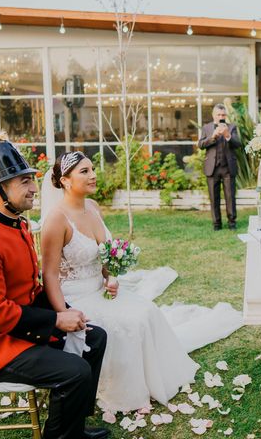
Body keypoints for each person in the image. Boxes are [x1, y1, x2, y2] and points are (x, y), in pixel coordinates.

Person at [39, 151, 242, 413]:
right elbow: (50, 275)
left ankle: (154, 379)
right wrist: (63, 314)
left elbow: (103, 255)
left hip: (101, 290)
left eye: (92, 169)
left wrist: (110, 276)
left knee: (147, 310)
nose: (93, 175)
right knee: (131, 322)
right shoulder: (56, 219)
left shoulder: (93, 207)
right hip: (75, 298)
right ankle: (125, 391)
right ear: (65, 181)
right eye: (84, 171)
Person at [0, 135, 110, 439]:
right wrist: (55, 320)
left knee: (96, 338)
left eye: (31, 181)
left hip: (16, 330)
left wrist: (63, 310)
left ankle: (73, 427)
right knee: (74, 372)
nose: (34, 188)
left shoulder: (18, 225)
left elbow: (29, 291)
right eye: (23, 181)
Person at [198, 104, 242, 230]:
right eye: (218, 115)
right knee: (214, 197)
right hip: (212, 167)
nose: (221, 117)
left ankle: (232, 223)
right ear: (214, 115)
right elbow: (200, 144)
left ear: (226, 115)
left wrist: (228, 135)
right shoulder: (206, 128)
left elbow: (238, 144)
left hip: (228, 167)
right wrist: (212, 137)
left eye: (223, 115)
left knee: (230, 196)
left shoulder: (232, 127)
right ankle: (216, 224)